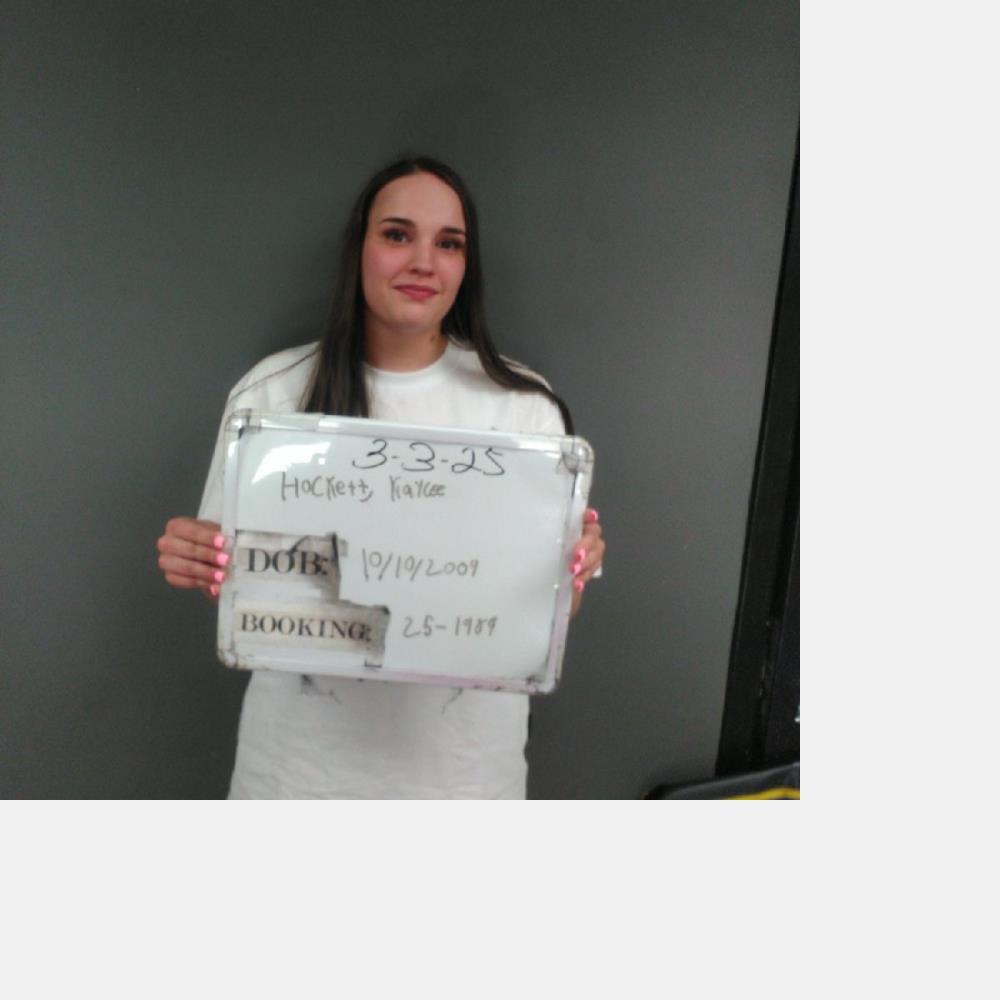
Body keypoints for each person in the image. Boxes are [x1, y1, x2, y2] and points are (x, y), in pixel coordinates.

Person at [156, 156, 605, 798]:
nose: (424, 262)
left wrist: (573, 573)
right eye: (398, 234)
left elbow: (549, 612)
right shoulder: (273, 395)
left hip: (464, 781)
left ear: (466, 266)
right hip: (297, 778)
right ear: (359, 249)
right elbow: (242, 591)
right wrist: (200, 559)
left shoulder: (525, 410)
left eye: (449, 244)